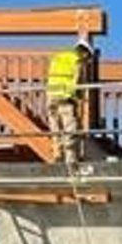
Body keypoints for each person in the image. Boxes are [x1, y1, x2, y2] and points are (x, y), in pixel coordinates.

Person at [44, 32, 95, 162]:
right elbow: (76, 81)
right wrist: (80, 96)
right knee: (69, 129)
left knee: (55, 128)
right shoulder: (77, 61)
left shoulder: (59, 56)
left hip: (51, 95)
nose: (86, 62)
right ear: (85, 53)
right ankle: (70, 158)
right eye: (88, 58)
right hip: (65, 98)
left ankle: (57, 154)